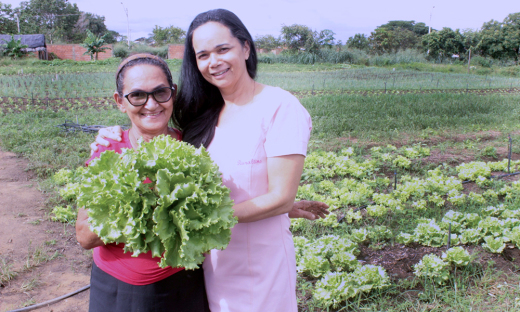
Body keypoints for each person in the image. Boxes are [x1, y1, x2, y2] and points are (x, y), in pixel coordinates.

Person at [90, 9, 329, 312]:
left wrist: (195, 221)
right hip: (208, 266)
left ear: (245, 47)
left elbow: (280, 197)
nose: (213, 61)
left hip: (257, 263)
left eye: (223, 49)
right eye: (202, 55)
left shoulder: (279, 107)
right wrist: (113, 135)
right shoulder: (204, 112)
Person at [76, 53, 210, 312]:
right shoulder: (109, 151)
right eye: (137, 95)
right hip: (120, 289)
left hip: (186, 282)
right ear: (120, 102)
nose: (151, 104)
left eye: (160, 92)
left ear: (173, 93)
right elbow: (85, 236)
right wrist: (145, 207)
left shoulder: (194, 145)